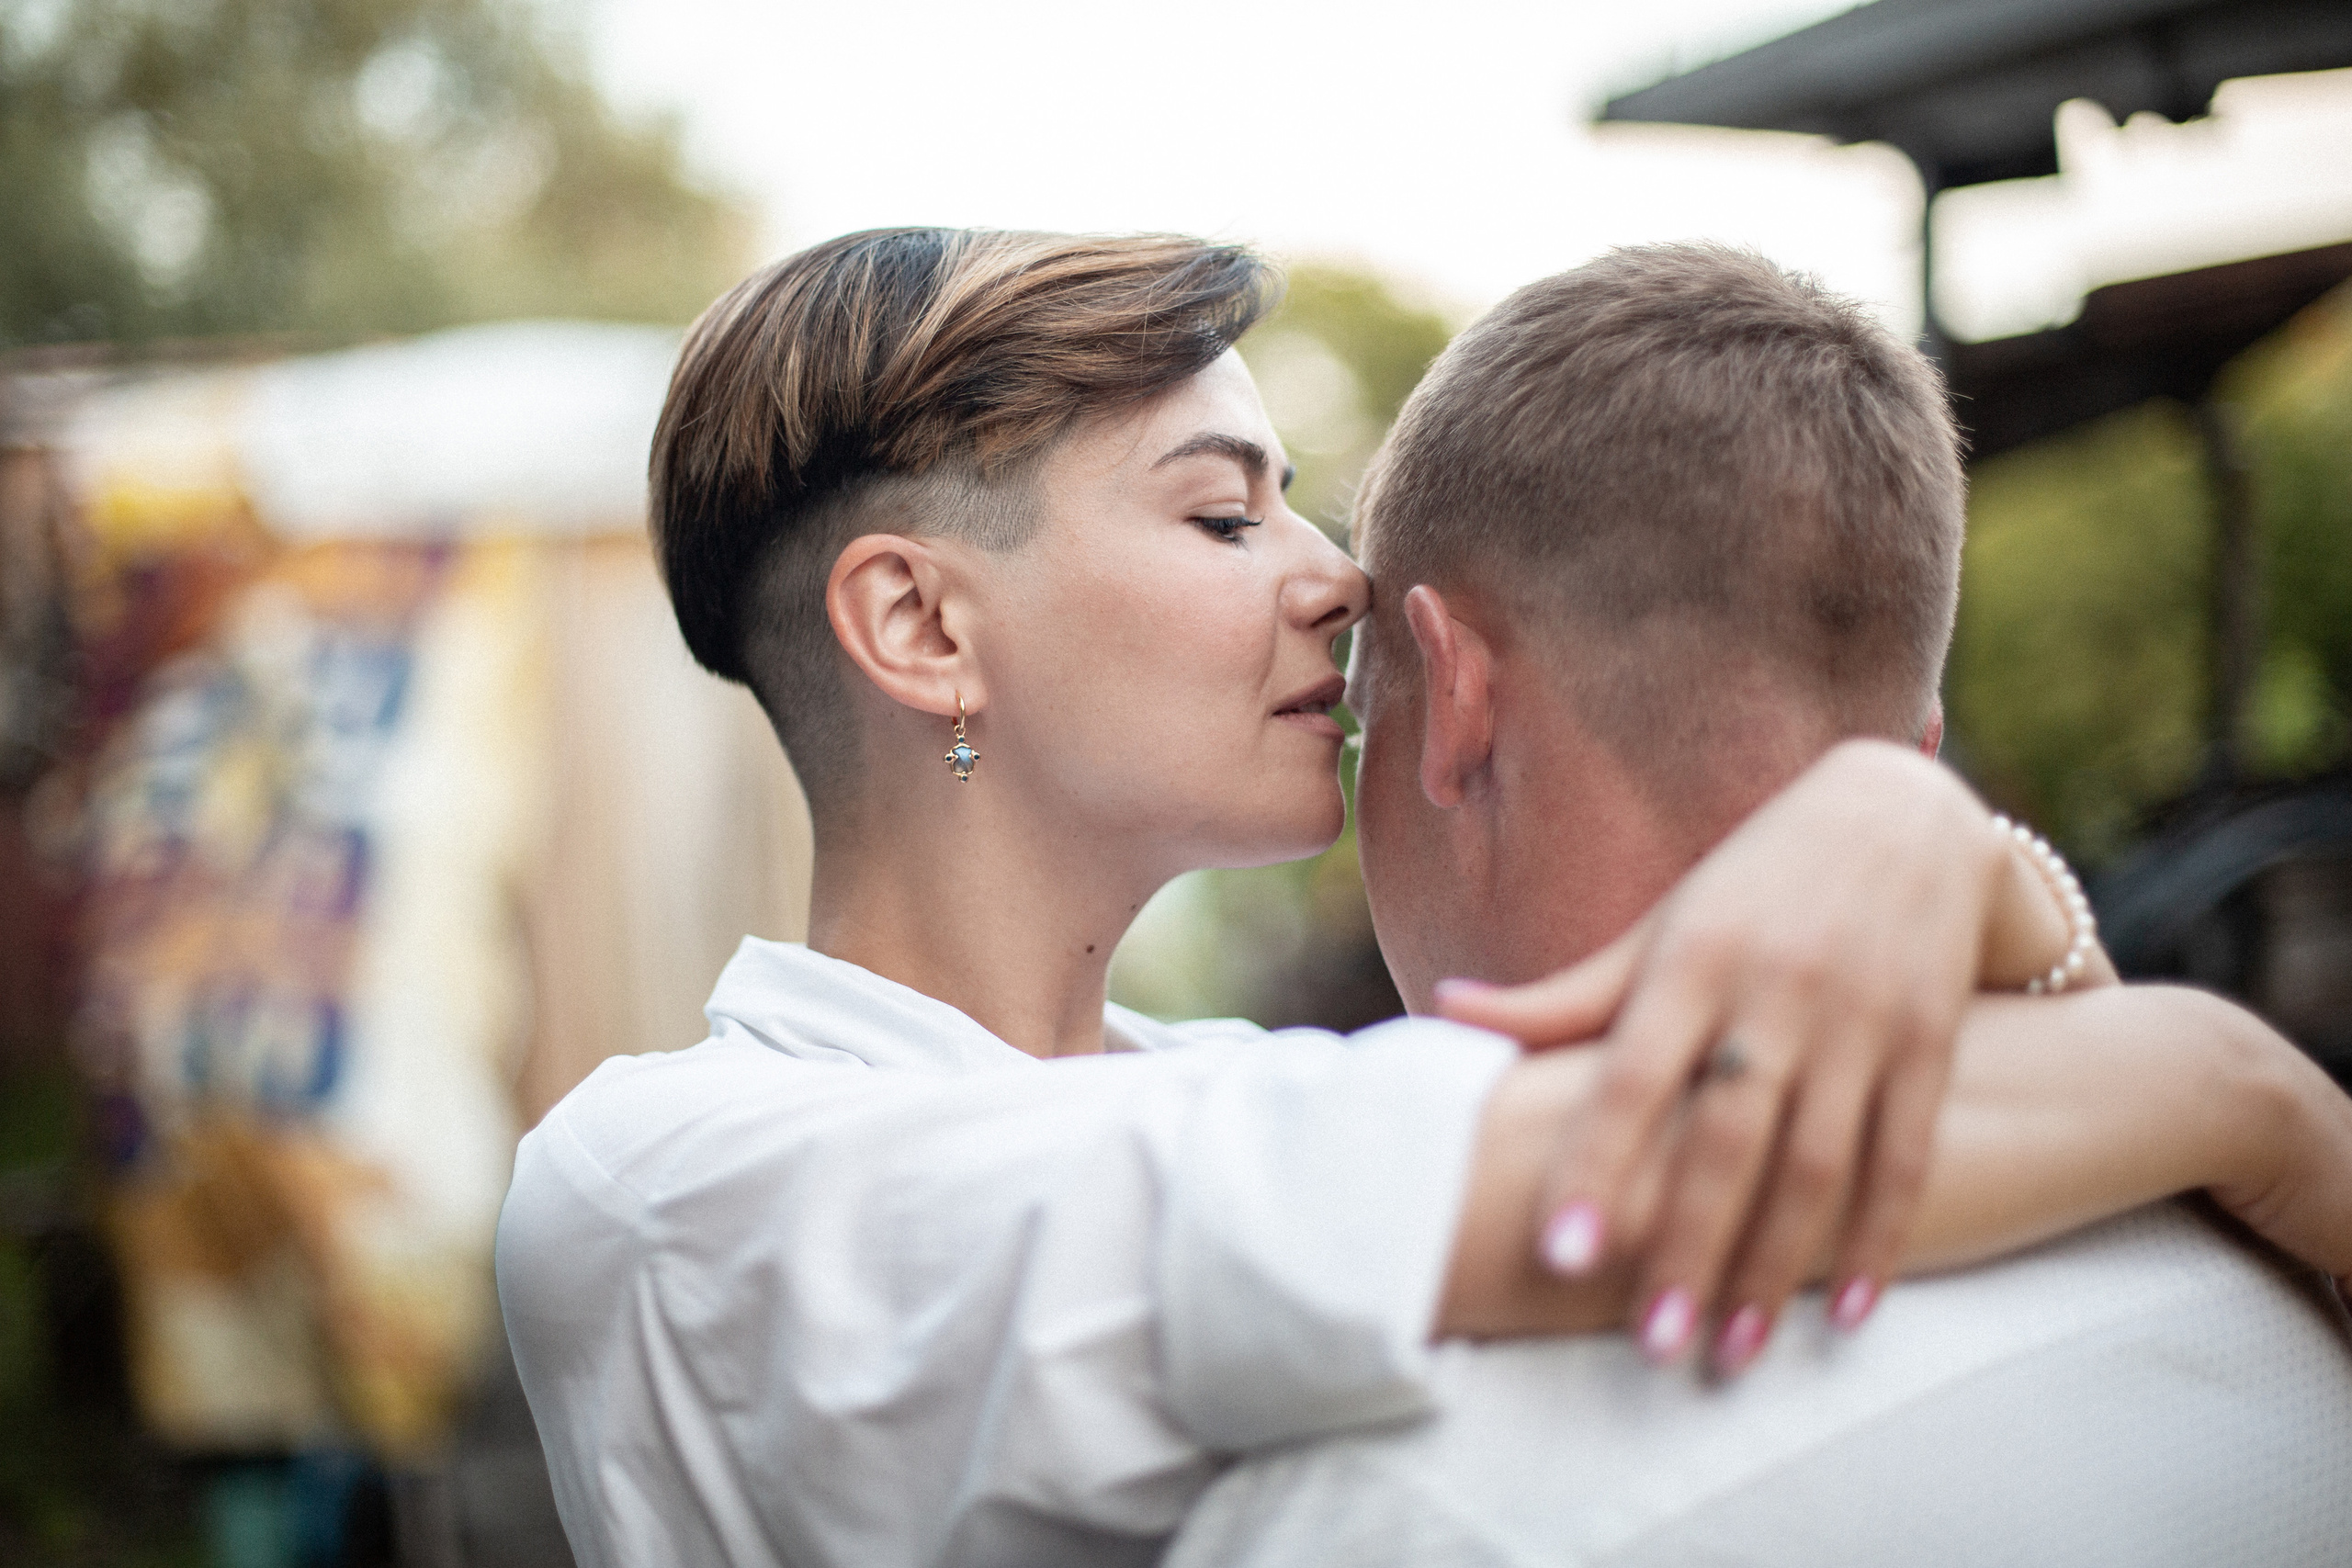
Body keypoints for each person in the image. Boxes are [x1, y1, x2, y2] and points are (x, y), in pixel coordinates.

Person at [494, 230, 2352, 1568]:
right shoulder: (665, 1178)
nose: (1340, 580)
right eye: (1225, 514)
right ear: (916, 624)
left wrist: (1959, 865)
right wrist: (2229, 1084)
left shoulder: (1211, 1073)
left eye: (1300, 504)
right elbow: (1632, 1164)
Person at [1168, 243, 2352, 1566]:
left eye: (1365, 711)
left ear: (1456, 700)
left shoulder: (1393, 1496)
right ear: (1916, 758)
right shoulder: (2283, 1277)